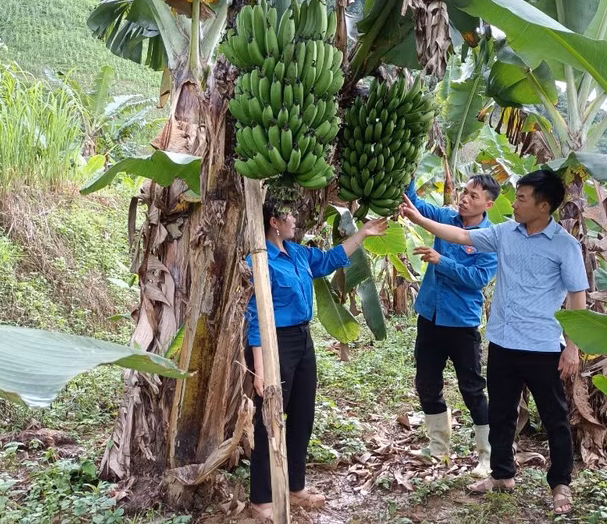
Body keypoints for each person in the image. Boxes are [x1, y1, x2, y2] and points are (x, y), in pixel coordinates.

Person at [398, 169, 588, 516]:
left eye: (521, 198)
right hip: (502, 340)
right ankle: (502, 475)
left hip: (543, 344)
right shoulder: (504, 233)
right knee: (501, 412)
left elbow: (577, 297)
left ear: (543, 206)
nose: (513, 204)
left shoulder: (565, 246)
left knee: (555, 418)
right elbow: (456, 235)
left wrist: (572, 346)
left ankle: (561, 483)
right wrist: (418, 218)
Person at [245, 197, 388, 520]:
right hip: (273, 342)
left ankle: (295, 487)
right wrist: (260, 367)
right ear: (274, 222)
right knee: (269, 419)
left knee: (302, 415)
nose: (296, 220)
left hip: (302, 340)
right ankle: (261, 498)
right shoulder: (260, 259)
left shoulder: (297, 253)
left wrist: (362, 233)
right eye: (290, 216)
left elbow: (330, 259)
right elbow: (254, 316)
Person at [405, 174, 500, 477]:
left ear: (489, 203)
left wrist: (440, 261)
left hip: (461, 323)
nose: (464, 199)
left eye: (473, 196)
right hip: (430, 317)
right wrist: (407, 174)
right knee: (427, 383)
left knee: (472, 388)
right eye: (464, 192)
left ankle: (487, 455)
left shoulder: (490, 239)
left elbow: (478, 280)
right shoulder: (447, 217)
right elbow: (416, 206)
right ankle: (438, 450)